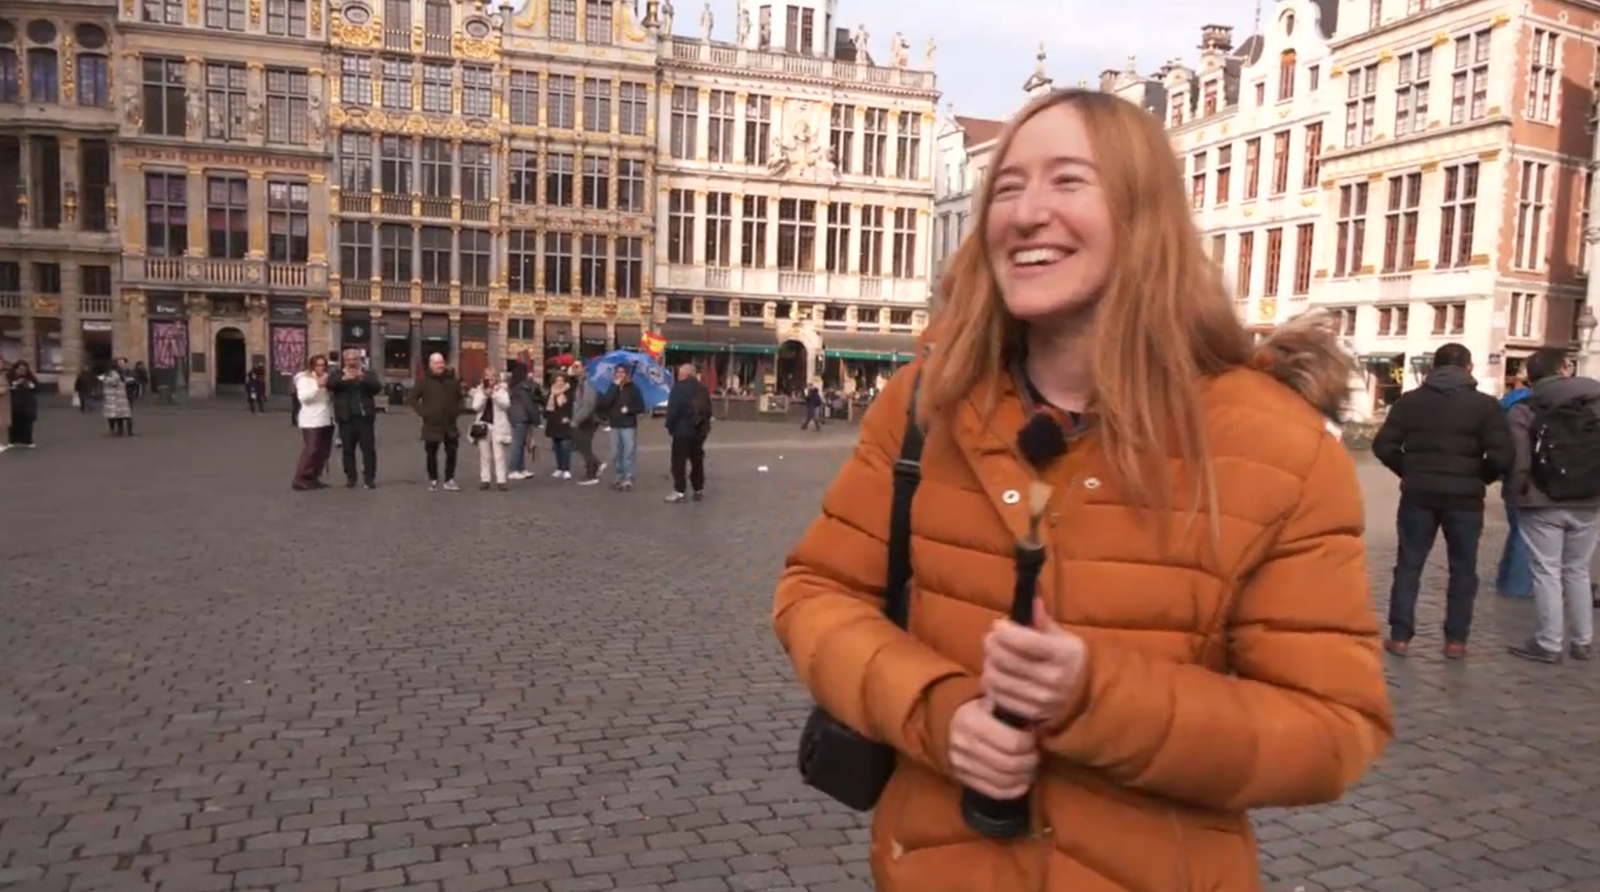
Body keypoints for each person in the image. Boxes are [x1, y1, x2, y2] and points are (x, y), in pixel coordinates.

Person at [771, 89, 1392, 892]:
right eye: (1007, 187)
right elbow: (816, 594)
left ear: (1144, 217)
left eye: (1068, 181)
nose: (1027, 213)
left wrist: (1096, 698)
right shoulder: (926, 404)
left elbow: (1332, 729)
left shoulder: (1279, 446)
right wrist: (939, 711)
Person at [1372, 343, 1513, 659]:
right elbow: (1504, 455)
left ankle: (1400, 636)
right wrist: (1479, 476)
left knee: (1409, 563)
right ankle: (1455, 640)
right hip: (1465, 498)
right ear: (1469, 368)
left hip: (1418, 494)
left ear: (1433, 368)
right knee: (1463, 568)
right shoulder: (1485, 406)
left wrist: (1408, 469)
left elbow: (1383, 446)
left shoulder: (1410, 402)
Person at [1504, 347, 1600, 663]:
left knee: (1546, 571)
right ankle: (1583, 640)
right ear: (1565, 369)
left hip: (1540, 499)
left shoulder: (1524, 408)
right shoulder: (1595, 402)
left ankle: (1549, 642)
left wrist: (1516, 491)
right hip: (1589, 497)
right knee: (1577, 569)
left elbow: (1518, 458)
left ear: (1532, 377)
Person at [1496, 370, 1534, 598]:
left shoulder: (1505, 405)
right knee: (1524, 533)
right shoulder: (1531, 406)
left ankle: (1506, 580)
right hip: (1526, 478)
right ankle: (1518, 587)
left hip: (1509, 476)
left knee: (1516, 531)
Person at [328, 349, 382, 489]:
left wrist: (362, 378)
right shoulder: (337, 374)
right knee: (347, 450)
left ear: (359, 360)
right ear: (344, 361)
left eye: (354, 359)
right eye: (349, 360)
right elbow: (330, 385)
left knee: (368, 449)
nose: (352, 362)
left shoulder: (367, 373)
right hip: (346, 418)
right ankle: (351, 477)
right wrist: (342, 379)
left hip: (364, 417)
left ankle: (369, 478)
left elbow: (377, 388)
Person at [409, 352, 463, 492]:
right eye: (437, 363)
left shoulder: (452, 380)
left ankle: (449, 479)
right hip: (432, 424)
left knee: (452, 452)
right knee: (431, 453)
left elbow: (460, 397)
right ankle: (433, 478)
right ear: (431, 365)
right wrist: (423, 412)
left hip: (450, 424)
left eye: (441, 362)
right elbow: (412, 399)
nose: (440, 365)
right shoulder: (424, 381)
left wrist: (456, 411)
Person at [663, 362, 711, 502]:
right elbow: (708, 410)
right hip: (698, 432)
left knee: (678, 462)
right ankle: (698, 488)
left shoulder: (678, 388)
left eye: (679, 373)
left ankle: (679, 490)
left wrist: (669, 427)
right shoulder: (702, 389)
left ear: (684, 374)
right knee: (697, 461)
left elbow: (673, 410)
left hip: (681, 431)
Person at [595, 364, 644, 491]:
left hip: (628, 425)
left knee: (628, 452)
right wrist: (615, 387)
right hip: (615, 424)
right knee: (616, 453)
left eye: (622, 372)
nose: (620, 374)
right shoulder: (612, 387)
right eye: (618, 372)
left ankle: (628, 477)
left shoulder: (633, 389)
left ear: (626, 374)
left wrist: (629, 410)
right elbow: (604, 403)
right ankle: (619, 475)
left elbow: (641, 406)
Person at [291, 354, 335, 491]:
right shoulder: (304, 379)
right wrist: (317, 386)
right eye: (318, 365)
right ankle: (300, 479)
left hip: (326, 418)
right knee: (312, 450)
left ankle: (314, 477)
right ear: (312, 366)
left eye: (323, 365)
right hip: (311, 420)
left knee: (323, 451)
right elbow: (304, 398)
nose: (321, 368)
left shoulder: (327, 377)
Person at [469, 370, 512, 491]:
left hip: (498, 425)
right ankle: (485, 479)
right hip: (483, 425)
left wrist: (493, 394)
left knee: (499, 455)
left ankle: (501, 480)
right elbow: (475, 407)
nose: (490, 380)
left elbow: (506, 405)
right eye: (487, 377)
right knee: (484, 455)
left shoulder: (502, 390)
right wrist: (484, 395)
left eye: (492, 377)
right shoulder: (479, 390)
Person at [568, 361, 604, 486]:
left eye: (577, 366)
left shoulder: (588, 383)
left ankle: (591, 474)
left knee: (584, 447)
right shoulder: (580, 382)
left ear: (584, 368)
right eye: (573, 366)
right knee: (583, 447)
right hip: (584, 418)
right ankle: (595, 467)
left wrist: (576, 419)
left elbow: (588, 404)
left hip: (587, 419)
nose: (574, 369)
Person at [507, 364, 542, 481]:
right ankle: (513, 469)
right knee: (517, 445)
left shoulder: (515, 387)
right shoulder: (521, 389)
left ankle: (521, 469)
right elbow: (528, 405)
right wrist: (536, 419)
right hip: (521, 417)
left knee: (520, 444)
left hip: (517, 417)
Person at [3, 360, 39, 450]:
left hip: (27, 403)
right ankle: (13, 440)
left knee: (27, 421)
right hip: (14, 402)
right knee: (14, 421)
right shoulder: (9, 376)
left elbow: (37, 387)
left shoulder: (30, 377)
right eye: (20, 369)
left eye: (24, 369)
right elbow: (6, 387)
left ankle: (28, 440)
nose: (22, 371)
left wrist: (30, 385)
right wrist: (16, 383)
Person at [544, 374, 574, 479]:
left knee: (565, 446)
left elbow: (572, 407)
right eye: (557, 380)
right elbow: (547, 408)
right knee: (556, 447)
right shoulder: (551, 393)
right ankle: (559, 467)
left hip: (565, 422)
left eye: (561, 380)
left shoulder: (569, 392)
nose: (559, 383)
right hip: (554, 423)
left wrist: (568, 417)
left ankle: (566, 468)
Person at [101, 358, 134, 437]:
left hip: (115, 397)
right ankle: (123, 431)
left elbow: (114, 382)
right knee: (123, 415)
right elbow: (120, 381)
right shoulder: (117, 373)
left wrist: (104, 379)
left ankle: (118, 431)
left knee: (115, 415)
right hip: (119, 397)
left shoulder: (113, 373)